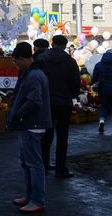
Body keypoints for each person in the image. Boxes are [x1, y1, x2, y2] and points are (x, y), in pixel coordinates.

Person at [7, 42, 51, 214]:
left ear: (23, 58)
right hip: (30, 123)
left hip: (32, 124)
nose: (15, 64)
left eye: (16, 61)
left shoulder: (33, 75)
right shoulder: (31, 73)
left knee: (34, 164)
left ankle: (37, 200)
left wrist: (18, 114)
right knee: (27, 162)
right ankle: (30, 196)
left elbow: (34, 101)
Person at [38, 35, 80, 179]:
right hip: (64, 102)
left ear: (52, 43)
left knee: (46, 135)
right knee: (63, 136)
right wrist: (72, 95)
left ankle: (43, 164)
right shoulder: (70, 61)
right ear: (65, 45)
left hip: (46, 102)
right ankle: (61, 168)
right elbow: (76, 83)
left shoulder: (42, 59)